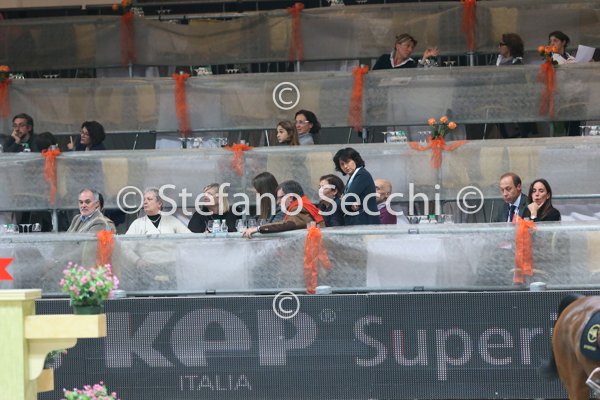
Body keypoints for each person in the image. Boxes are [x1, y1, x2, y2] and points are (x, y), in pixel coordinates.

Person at [242, 180, 324, 238]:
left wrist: (257, 229)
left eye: (281, 198)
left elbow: (287, 224)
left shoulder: (299, 208)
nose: (278, 202)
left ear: (290, 198)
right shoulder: (302, 206)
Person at [333, 147, 380, 225]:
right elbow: (347, 201)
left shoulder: (362, 175)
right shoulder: (353, 177)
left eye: (347, 162)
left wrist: (345, 200)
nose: (345, 166)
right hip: (359, 222)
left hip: (367, 222)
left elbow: (347, 200)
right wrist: (347, 201)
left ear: (355, 160)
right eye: (342, 164)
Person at [126, 188, 191, 234]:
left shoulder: (171, 220)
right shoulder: (137, 223)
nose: (145, 202)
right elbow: (126, 244)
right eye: (144, 200)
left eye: (149, 199)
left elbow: (190, 238)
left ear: (159, 203)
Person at [372, 33, 439, 70]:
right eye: (407, 46)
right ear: (397, 46)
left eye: (412, 47)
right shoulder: (384, 59)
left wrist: (427, 57)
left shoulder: (412, 63)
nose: (410, 50)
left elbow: (420, 73)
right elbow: (373, 77)